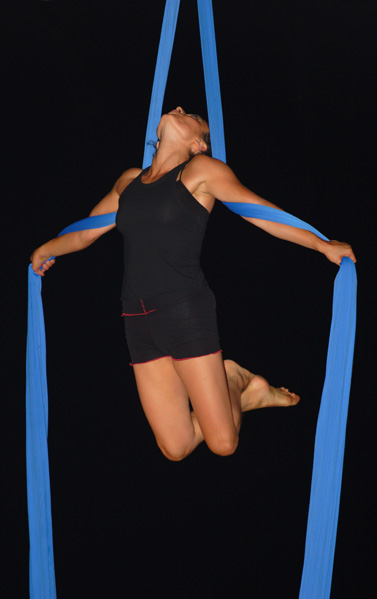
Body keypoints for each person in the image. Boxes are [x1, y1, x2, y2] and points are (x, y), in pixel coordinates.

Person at [31, 106, 356, 461]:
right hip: (137, 320)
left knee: (223, 444)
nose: (181, 108)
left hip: (183, 312)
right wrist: (46, 249)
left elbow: (261, 212)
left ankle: (233, 378)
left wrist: (322, 244)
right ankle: (233, 384)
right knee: (176, 446)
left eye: (194, 117)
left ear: (199, 144)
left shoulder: (200, 172)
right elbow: (86, 231)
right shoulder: (129, 182)